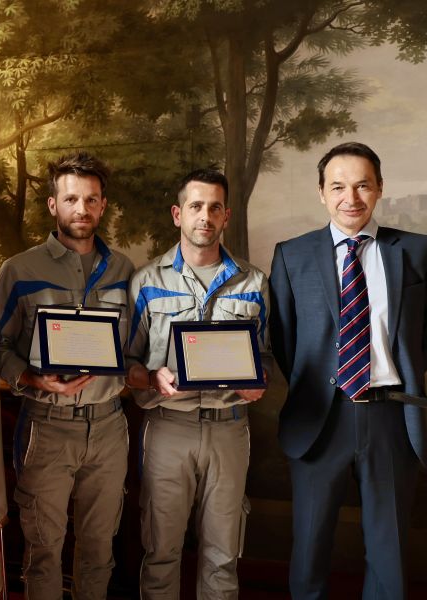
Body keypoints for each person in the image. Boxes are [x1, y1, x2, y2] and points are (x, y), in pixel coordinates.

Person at [270, 142, 427, 599]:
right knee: (310, 549)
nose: (350, 197)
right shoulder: (291, 255)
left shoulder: (417, 251)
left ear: (379, 188)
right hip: (320, 418)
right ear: (321, 192)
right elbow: (285, 340)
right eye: (338, 186)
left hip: (392, 418)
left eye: (362, 185)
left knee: (389, 549)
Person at [0, 151, 134, 599]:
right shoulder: (20, 269)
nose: (81, 210)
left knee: (99, 548)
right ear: (53, 206)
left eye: (90, 200)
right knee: (44, 549)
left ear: (103, 205)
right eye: (70, 199)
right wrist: (32, 379)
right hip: (46, 427)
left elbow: (139, 347)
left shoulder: (126, 271)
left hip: (109, 426)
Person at [126, 168, 271, 599]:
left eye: (214, 208)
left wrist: (258, 382)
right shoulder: (146, 282)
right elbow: (126, 365)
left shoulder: (254, 283)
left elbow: (265, 358)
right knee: (161, 552)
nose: (204, 216)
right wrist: (151, 377)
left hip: (230, 428)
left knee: (223, 557)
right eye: (195, 206)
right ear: (178, 214)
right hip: (169, 428)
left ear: (226, 216)